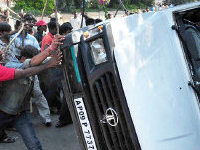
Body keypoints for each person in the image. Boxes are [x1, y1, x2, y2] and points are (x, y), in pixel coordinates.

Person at [55, 22, 73, 128]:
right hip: (65, 72)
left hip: (69, 71)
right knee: (68, 96)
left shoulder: (65, 41)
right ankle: (63, 119)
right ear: (66, 32)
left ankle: (68, 117)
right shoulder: (62, 42)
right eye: (70, 31)